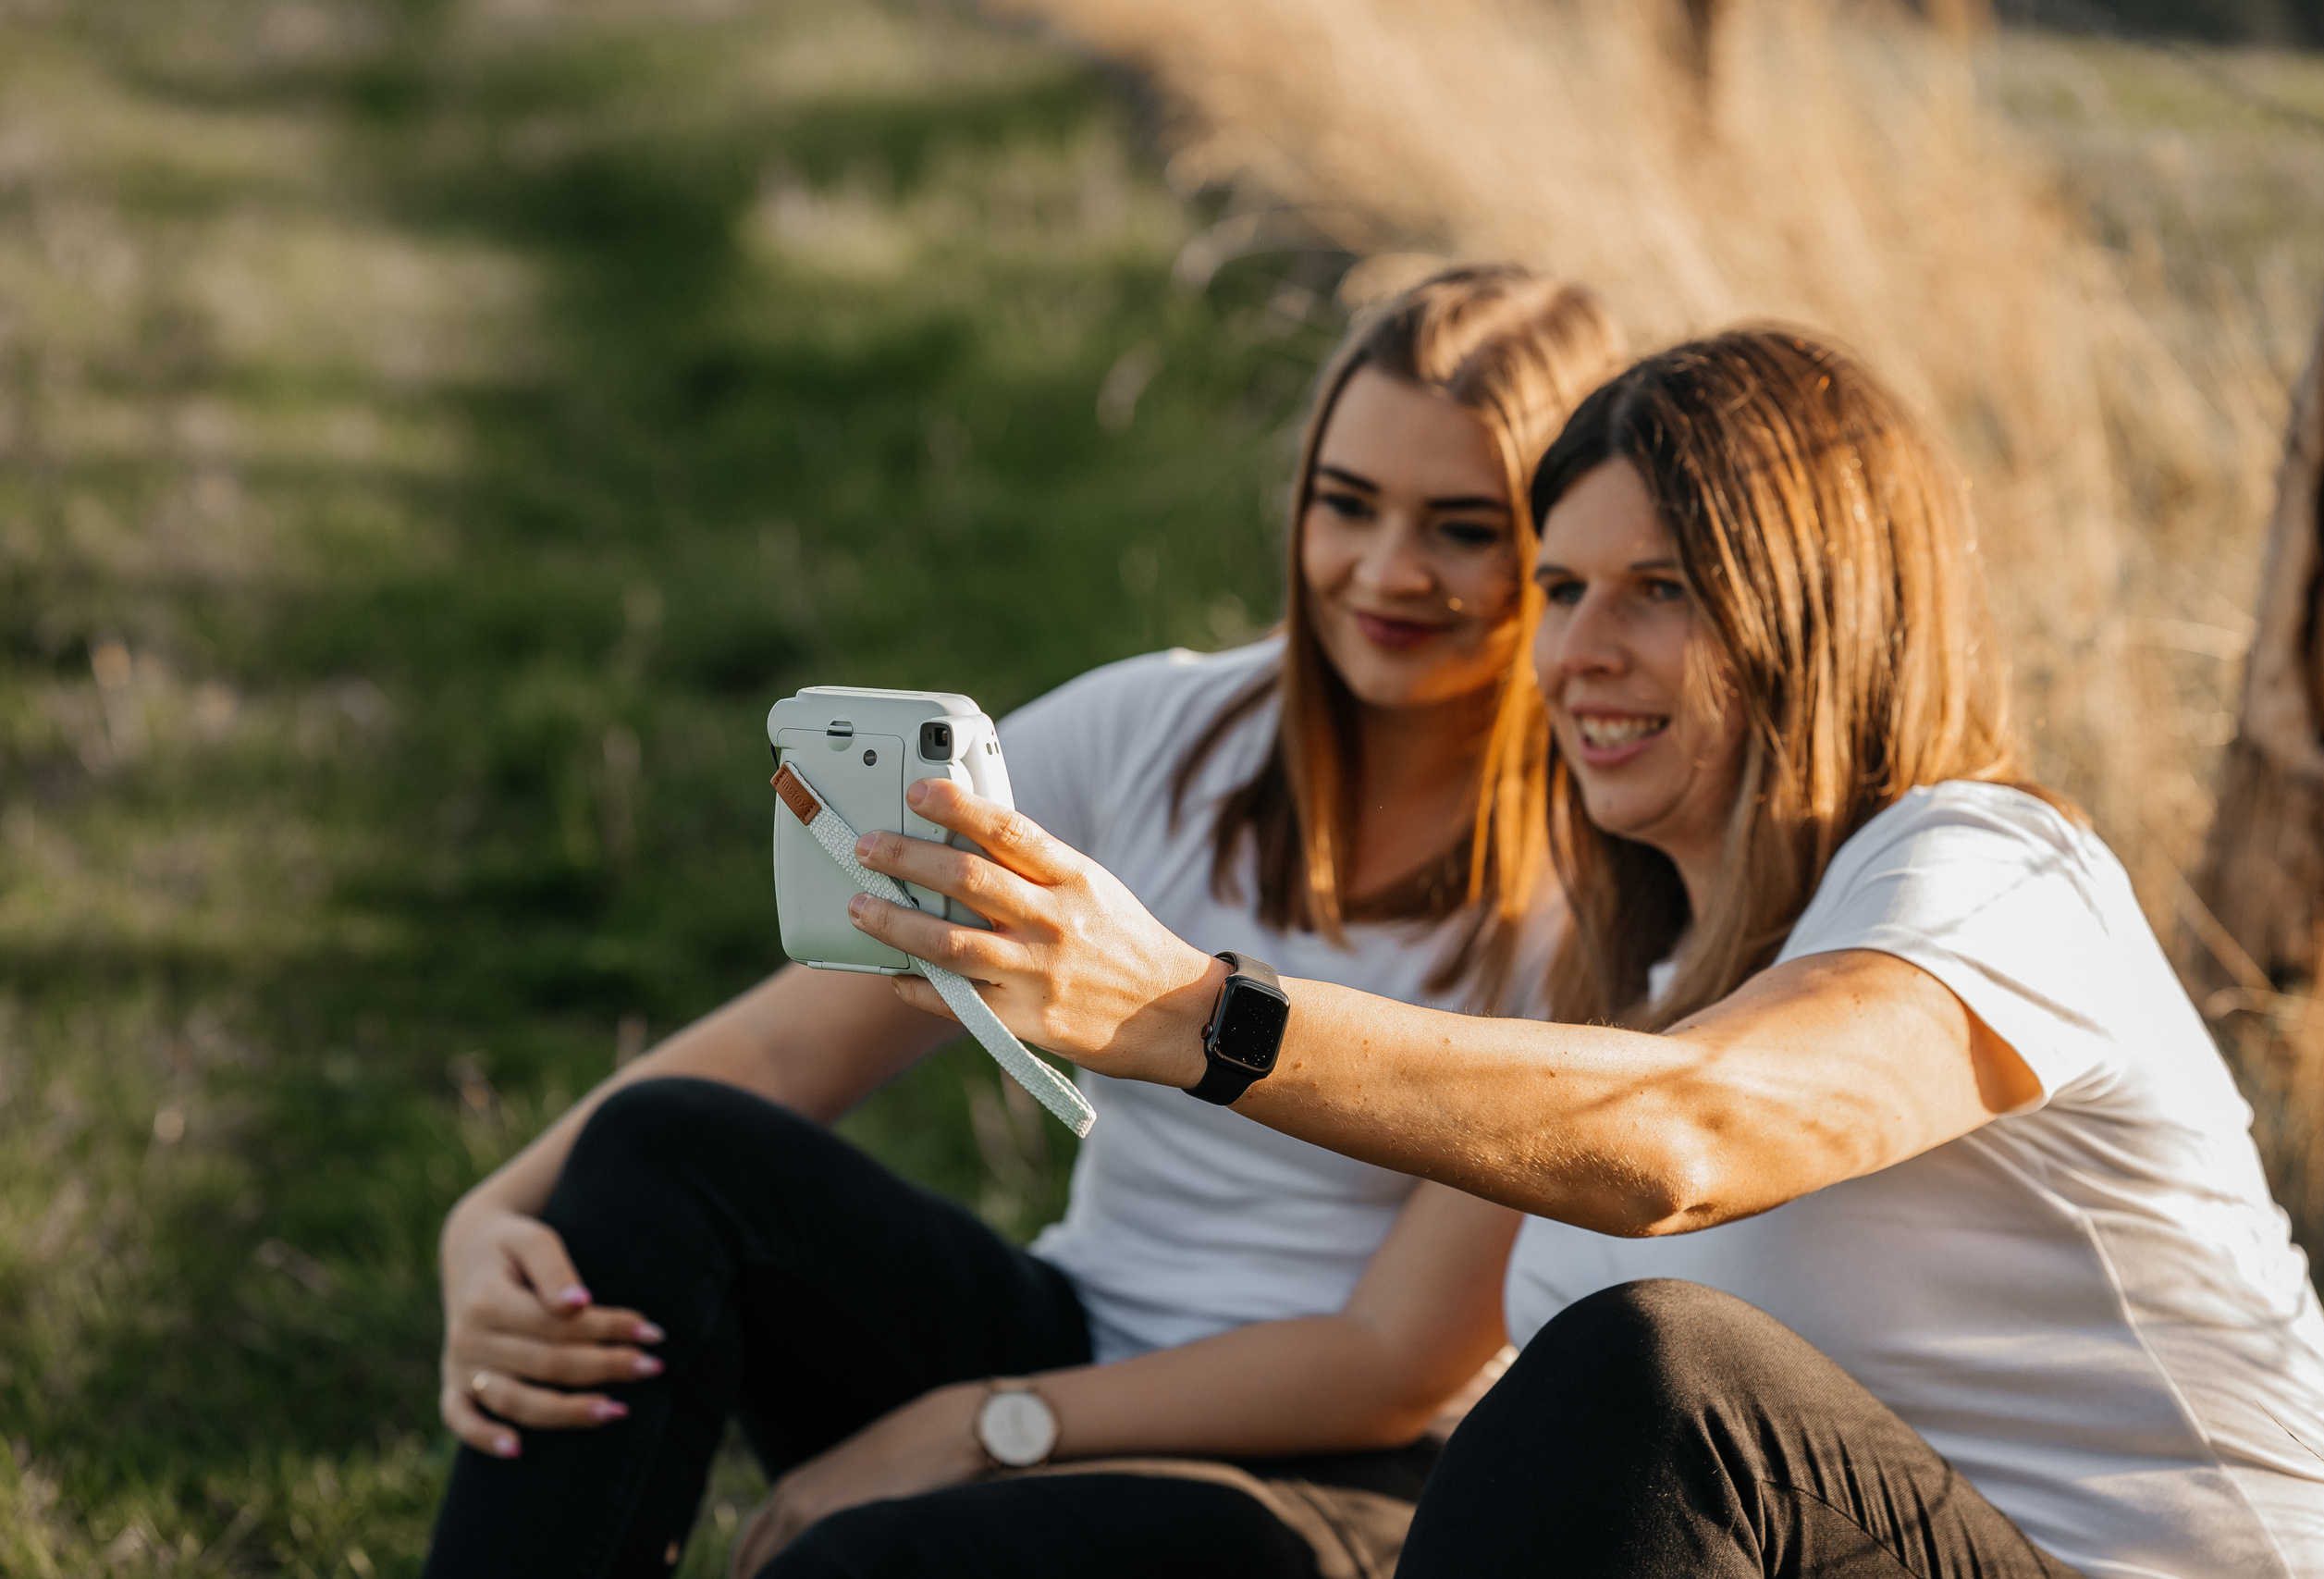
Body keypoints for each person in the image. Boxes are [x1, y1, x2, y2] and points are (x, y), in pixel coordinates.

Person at [846, 328, 2324, 1578]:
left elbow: (1693, 1134)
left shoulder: (1989, 869)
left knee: (1648, 1382)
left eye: (1663, 591)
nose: (1579, 653)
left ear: (1821, 611)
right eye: (1562, 589)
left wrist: (1192, 1013)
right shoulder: (1634, 978)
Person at [422, 265, 1624, 1578]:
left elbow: (1389, 1364)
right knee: (664, 1152)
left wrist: (989, 1425)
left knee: (871, 1566)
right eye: (1347, 504)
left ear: (1563, 554)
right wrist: (481, 1221)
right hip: (1078, 1330)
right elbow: (782, 1057)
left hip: (1333, 1482)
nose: (1385, 571)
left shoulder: (1607, 874)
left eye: (1463, 528)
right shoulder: (1156, 731)